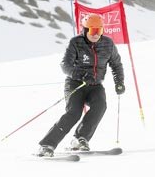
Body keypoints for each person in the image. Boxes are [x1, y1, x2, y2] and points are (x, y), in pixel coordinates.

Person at [37, 13, 125, 156]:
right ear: (85, 30)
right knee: (74, 113)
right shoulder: (76, 43)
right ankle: (47, 145)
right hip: (75, 83)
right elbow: (65, 65)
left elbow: (116, 64)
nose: (97, 35)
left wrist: (119, 82)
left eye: (100, 30)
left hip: (95, 85)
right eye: (93, 31)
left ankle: (80, 139)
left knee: (100, 106)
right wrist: (79, 74)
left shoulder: (108, 44)